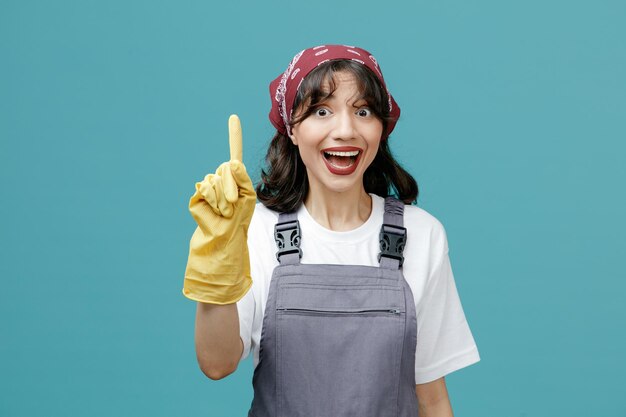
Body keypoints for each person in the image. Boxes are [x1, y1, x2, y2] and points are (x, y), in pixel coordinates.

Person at [182, 44, 480, 417]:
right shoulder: (254, 229)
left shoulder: (422, 235)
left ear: (381, 127)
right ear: (291, 128)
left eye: (363, 111)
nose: (345, 130)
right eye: (322, 111)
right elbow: (216, 363)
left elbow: (432, 399)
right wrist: (218, 256)